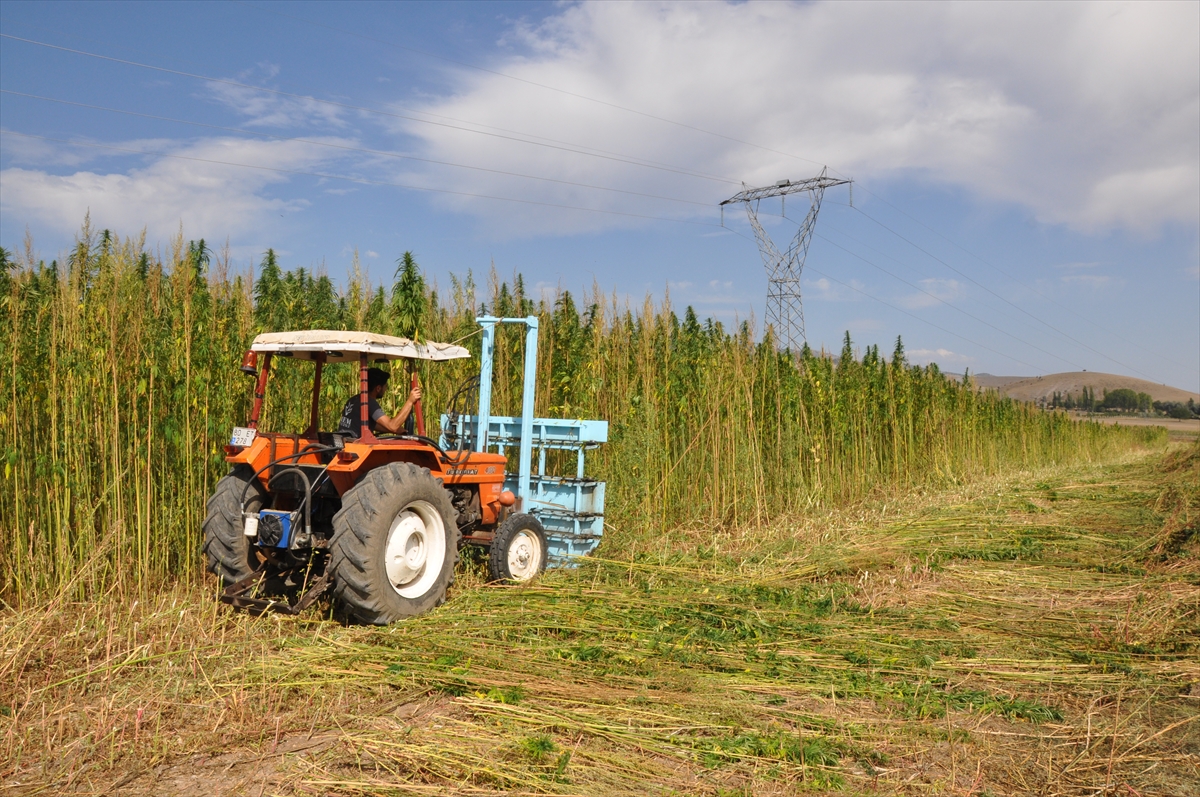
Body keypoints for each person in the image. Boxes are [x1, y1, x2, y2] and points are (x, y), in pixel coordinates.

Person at [336, 367, 422, 438]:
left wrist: (399, 431)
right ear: (378, 388)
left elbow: (373, 424)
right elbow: (392, 426)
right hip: (355, 446)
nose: (386, 389)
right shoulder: (368, 402)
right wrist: (410, 401)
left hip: (345, 443)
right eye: (385, 386)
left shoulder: (353, 400)